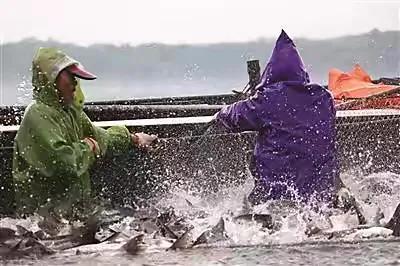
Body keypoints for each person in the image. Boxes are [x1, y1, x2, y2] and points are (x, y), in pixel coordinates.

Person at [13, 47, 157, 217]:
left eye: (76, 78)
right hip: (43, 218)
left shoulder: (69, 112)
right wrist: (87, 148)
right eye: (70, 77)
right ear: (51, 79)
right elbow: (64, 161)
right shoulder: (38, 114)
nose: (75, 84)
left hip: (73, 212)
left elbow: (101, 138)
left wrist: (132, 139)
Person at [214, 30, 338, 206]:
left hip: (277, 191)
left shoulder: (269, 99)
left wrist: (220, 114)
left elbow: (236, 116)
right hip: (321, 191)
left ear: (271, 72)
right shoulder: (323, 97)